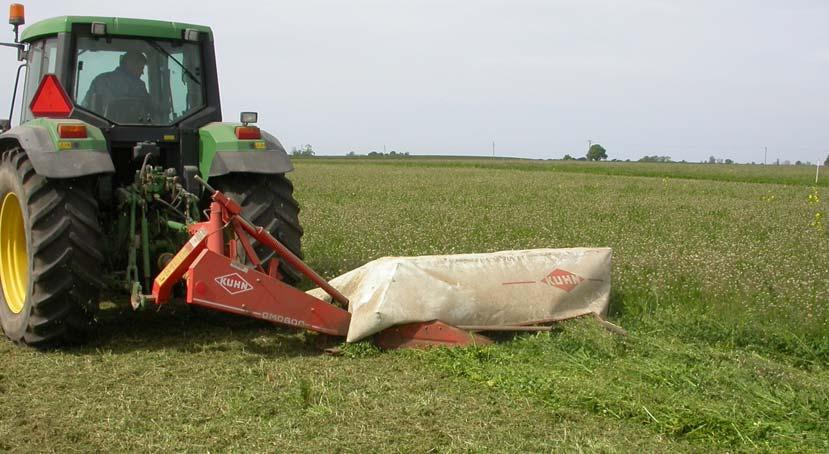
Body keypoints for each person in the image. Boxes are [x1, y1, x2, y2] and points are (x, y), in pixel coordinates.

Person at [81, 51, 150, 119]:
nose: (142, 72)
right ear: (130, 64)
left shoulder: (100, 80)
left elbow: (85, 109)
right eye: (141, 68)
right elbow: (149, 109)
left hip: (102, 126)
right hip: (136, 128)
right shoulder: (139, 86)